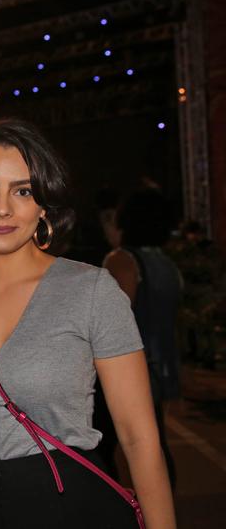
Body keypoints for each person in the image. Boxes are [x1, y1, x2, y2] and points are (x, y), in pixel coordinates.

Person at [0, 119, 175, 528]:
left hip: (72, 509)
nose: (2, 208)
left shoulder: (91, 290)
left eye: (22, 191)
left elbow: (138, 437)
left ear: (43, 205)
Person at [104, 188, 183, 487]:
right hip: (164, 365)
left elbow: (114, 321)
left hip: (131, 369)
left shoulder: (123, 260)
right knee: (154, 443)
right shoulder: (166, 263)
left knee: (118, 448)